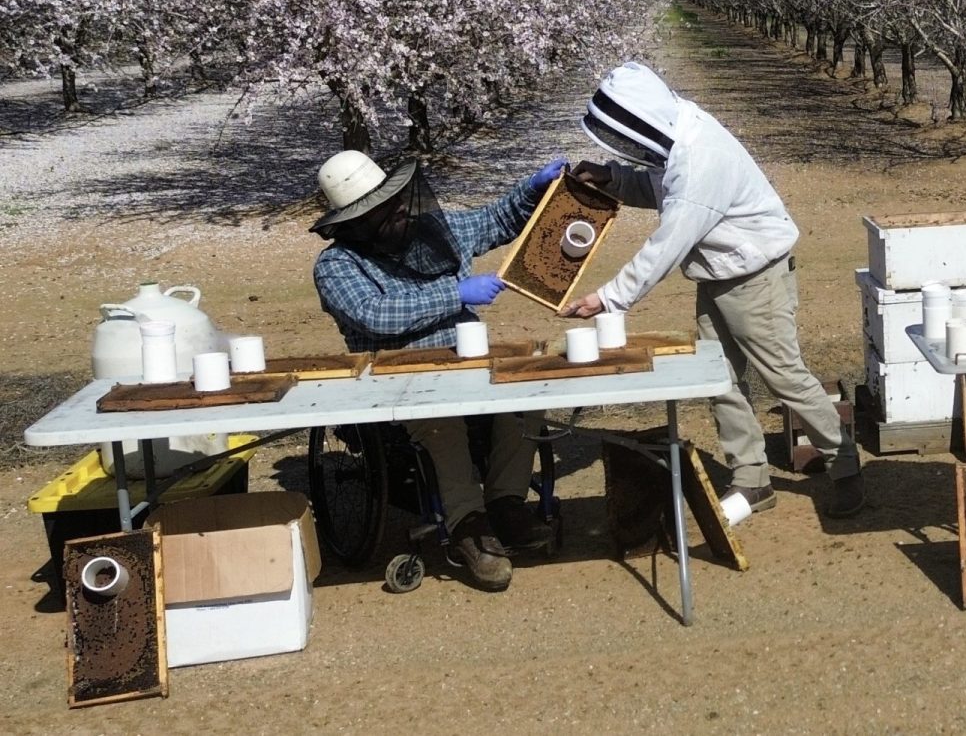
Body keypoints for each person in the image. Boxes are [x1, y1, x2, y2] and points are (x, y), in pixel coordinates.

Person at [559, 62, 866, 518]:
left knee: (784, 377)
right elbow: (659, 186)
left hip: (755, 277)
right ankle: (751, 480)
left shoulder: (701, 160)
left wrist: (609, 298)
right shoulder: (679, 134)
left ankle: (846, 468)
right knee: (718, 379)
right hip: (717, 274)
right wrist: (615, 178)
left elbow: (669, 241)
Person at [309, 149, 566, 591]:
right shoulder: (336, 266)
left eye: (389, 206)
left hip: (470, 366)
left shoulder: (436, 231)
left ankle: (506, 503)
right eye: (372, 213)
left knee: (524, 402)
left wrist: (533, 188)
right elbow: (375, 315)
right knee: (440, 422)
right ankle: (468, 525)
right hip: (400, 381)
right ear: (350, 222)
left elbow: (496, 221)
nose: (389, 218)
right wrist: (456, 293)